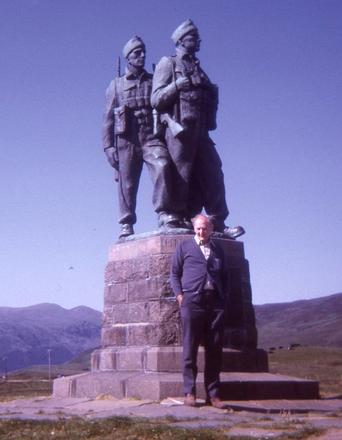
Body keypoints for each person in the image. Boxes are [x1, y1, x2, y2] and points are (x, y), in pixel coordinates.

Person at [151, 19, 244, 239]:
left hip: (201, 132)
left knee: (213, 172)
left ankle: (217, 222)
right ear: (182, 41)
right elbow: (155, 99)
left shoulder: (198, 68)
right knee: (181, 177)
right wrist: (176, 86)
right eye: (194, 37)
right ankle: (178, 218)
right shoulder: (169, 63)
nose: (198, 41)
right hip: (180, 131)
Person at [102, 36, 183, 238]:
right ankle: (126, 222)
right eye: (137, 53)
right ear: (128, 58)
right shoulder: (116, 85)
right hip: (126, 140)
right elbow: (107, 119)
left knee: (162, 165)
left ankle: (164, 213)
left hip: (150, 136)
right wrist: (108, 147)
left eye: (143, 52)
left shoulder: (152, 80)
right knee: (127, 183)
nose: (142, 56)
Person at [170, 214, 227, 408]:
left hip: (214, 304)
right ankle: (190, 392)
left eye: (205, 228)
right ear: (194, 229)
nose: (202, 232)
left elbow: (225, 276)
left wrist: (223, 298)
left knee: (214, 349)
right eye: (198, 229)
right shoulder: (184, 247)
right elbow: (174, 274)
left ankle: (214, 395)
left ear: (211, 229)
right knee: (189, 349)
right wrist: (180, 296)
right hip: (192, 302)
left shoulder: (218, 249)